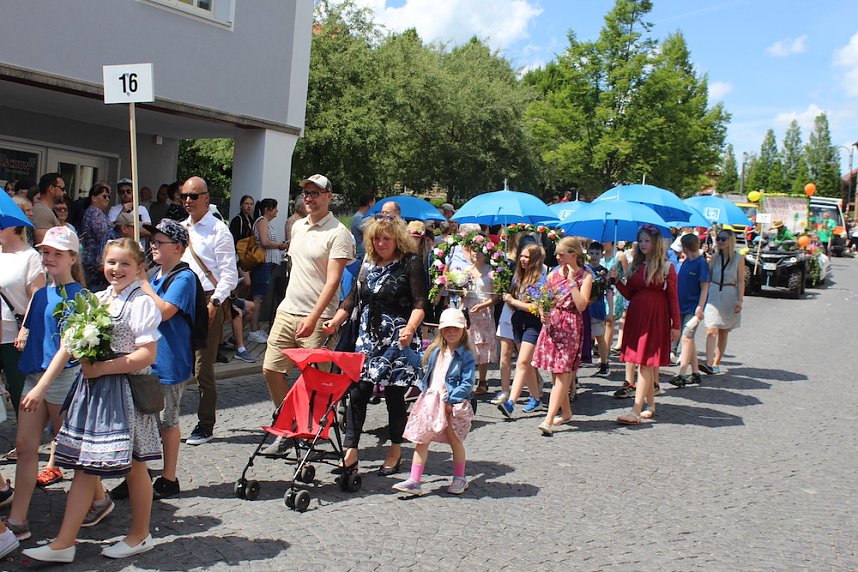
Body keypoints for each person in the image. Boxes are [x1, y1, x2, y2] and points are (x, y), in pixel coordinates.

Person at [22, 238, 162, 563]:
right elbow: (67, 347)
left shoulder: (141, 303)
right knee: (86, 467)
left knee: (136, 466)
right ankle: (64, 543)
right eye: (111, 262)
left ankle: (140, 534)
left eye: (125, 263)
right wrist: (42, 387)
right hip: (95, 394)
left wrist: (104, 368)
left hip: (125, 393)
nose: (116, 269)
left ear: (139, 267)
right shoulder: (96, 300)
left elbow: (147, 354)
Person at [324, 216, 425, 477]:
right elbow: (352, 299)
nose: (380, 243)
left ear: (397, 240)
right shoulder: (367, 263)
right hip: (367, 339)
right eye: (376, 238)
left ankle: (395, 450)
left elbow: (419, 303)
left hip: (398, 339)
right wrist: (334, 322)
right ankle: (351, 451)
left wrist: (410, 329)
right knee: (357, 393)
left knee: (393, 397)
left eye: (386, 239)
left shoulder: (410, 263)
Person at [262, 174, 353, 454]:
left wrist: (314, 318)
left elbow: (333, 281)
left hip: (318, 317)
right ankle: (289, 423)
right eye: (306, 193)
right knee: (271, 369)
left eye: (316, 193)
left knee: (315, 381)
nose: (309, 198)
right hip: (287, 310)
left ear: (329, 196)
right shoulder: (298, 227)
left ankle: (310, 433)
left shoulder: (338, 233)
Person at [5, 227, 85, 540]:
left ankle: (98, 498)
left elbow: (68, 348)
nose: (49, 258)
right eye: (46, 252)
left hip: (62, 380)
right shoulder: (41, 293)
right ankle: (18, 519)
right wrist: (25, 332)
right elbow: (33, 319)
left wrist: (41, 388)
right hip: (35, 376)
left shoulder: (79, 296)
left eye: (57, 253)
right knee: (25, 447)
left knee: (70, 451)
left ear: (72, 258)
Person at [133, 219, 199, 500]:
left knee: (166, 421)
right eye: (152, 242)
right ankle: (138, 474)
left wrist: (143, 282)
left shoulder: (183, 278)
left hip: (170, 361)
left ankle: (169, 477)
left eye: (159, 242)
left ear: (178, 247)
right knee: (140, 421)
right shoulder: (154, 273)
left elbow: (164, 311)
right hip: (146, 357)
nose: (153, 246)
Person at [179, 176, 238, 446]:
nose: (188, 201)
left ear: (206, 198)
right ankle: (167, 420)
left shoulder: (218, 230)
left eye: (194, 196)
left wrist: (214, 303)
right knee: (176, 361)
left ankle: (206, 423)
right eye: (184, 196)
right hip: (181, 298)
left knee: (203, 366)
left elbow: (229, 275)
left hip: (207, 300)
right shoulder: (179, 230)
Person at [393, 308, 474, 496]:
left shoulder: (466, 356)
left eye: (455, 328)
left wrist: (451, 401)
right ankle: (414, 480)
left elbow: (467, 383)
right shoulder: (436, 351)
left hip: (449, 404)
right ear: (441, 331)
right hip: (431, 401)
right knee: (422, 439)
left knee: (455, 440)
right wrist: (405, 348)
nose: (451, 332)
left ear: (463, 330)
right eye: (447, 329)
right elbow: (419, 363)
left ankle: (460, 477)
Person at [611, 225, 680, 425]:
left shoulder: (667, 267)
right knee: (645, 362)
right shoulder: (636, 266)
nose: (642, 244)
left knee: (644, 362)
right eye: (640, 241)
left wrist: (676, 325)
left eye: (646, 241)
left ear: (655, 243)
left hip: (655, 318)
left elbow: (673, 299)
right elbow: (630, 294)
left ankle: (636, 410)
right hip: (637, 317)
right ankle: (650, 405)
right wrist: (616, 282)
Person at [533, 237, 592, 435]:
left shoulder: (586, 276)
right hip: (553, 325)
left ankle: (548, 420)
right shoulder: (552, 274)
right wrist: (543, 312)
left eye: (561, 254)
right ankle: (566, 412)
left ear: (573, 255)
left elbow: (582, 305)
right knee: (556, 373)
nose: (557, 257)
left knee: (562, 373)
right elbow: (544, 298)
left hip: (570, 325)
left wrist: (572, 283)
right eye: (556, 254)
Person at [497, 243, 547, 418]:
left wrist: (513, 301)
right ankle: (535, 398)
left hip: (533, 323)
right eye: (522, 256)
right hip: (518, 321)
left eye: (527, 256)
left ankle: (511, 403)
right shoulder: (518, 276)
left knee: (522, 362)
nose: (522, 259)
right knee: (527, 364)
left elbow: (536, 307)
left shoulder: (540, 278)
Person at [0, 222, 45, 414]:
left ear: (13, 225)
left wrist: (26, 329)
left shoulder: (30, 256)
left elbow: (37, 297)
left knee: (21, 396)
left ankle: (25, 440)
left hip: (14, 338)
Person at [701, 228, 743, 375]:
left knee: (724, 331)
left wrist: (740, 300)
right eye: (718, 238)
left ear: (730, 241)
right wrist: (704, 260)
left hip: (729, 294)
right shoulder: (714, 257)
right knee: (711, 328)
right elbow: (707, 275)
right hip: (714, 293)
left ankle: (717, 362)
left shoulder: (738, 258)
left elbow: (741, 281)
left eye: (723, 239)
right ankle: (708, 362)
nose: (720, 241)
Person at [670, 233, 710, 387]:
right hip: (681, 305)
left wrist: (700, 307)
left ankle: (681, 374)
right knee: (689, 339)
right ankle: (695, 373)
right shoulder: (686, 262)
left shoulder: (701, 263)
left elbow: (704, 288)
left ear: (686, 248)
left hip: (693, 308)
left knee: (686, 337)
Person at [248, 198, 287, 342]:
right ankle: (253, 330)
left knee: (261, 296)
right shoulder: (262, 221)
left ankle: (256, 328)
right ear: (267, 209)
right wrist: (280, 245)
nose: (277, 211)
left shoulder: (265, 222)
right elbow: (265, 242)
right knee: (258, 297)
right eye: (275, 208)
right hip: (264, 263)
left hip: (268, 264)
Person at [462, 238, 497, 394]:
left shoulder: (491, 271)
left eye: (480, 251)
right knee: (467, 344)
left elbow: (496, 296)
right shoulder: (465, 270)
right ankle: (467, 380)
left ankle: (482, 381)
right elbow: (460, 292)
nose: (476, 254)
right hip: (468, 310)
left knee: (482, 345)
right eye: (473, 250)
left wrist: (483, 305)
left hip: (483, 311)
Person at [80, 182, 112, 291]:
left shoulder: (94, 212)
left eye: (108, 196)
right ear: (94, 198)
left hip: (91, 261)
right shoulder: (95, 213)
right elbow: (104, 237)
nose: (107, 199)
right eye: (104, 196)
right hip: (95, 262)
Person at [31, 173, 64, 244]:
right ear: (51, 189)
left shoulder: (46, 210)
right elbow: (43, 244)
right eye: (62, 188)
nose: (64, 192)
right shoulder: (42, 212)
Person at [349, 193, 375, 274]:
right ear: (370, 203)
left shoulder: (358, 217)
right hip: (363, 256)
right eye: (374, 202)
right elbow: (369, 235)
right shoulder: (360, 218)